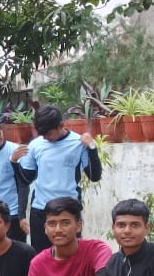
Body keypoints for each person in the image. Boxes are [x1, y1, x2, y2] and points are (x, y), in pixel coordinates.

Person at [16, 105, 102, 251]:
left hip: (69, 211)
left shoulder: (78, 143)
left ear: (61, 125)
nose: (45, 138)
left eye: (48, 134)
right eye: (42, 134)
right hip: (41, 211)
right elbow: (25, 179)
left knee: (72, 257)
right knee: (41, 257)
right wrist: (15, 164)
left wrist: (92, 148)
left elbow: (94, 176)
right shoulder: (36, 145)